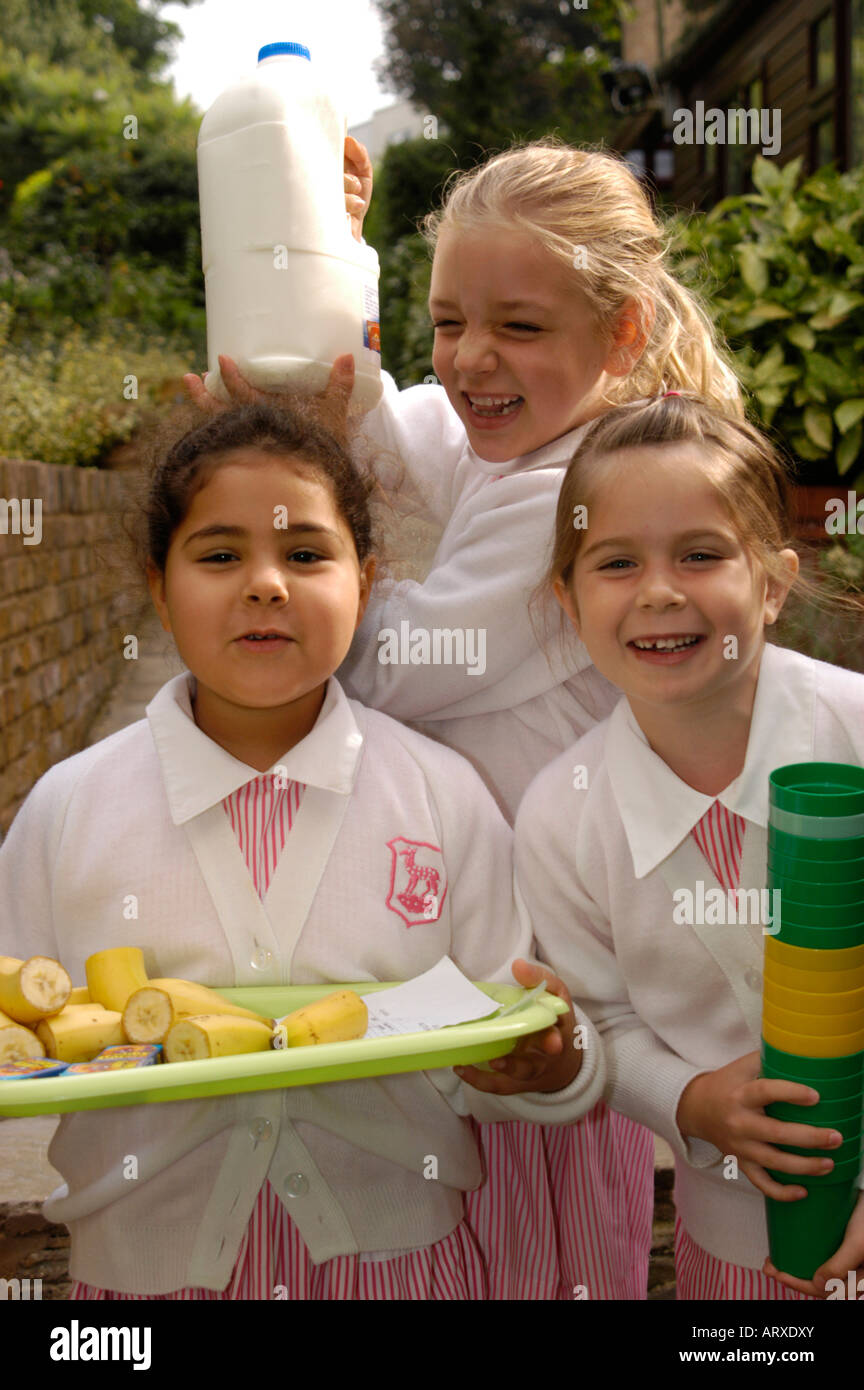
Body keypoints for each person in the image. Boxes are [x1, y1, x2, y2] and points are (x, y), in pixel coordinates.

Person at [188, 137, 743, 1299]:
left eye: (520, 327)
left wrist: (286, 539)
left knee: (530, 1248)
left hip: (543, 980)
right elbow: (395, 430)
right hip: (494, 952)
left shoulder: (581, 496)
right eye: (448, 321)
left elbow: (383, 669)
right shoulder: (530, 436)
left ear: (624, 330)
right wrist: (323, 255)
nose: (473, 359)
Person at [0, 402, 605, 1300]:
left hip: (405, 1269)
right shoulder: (71, 809)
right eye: (218, 555)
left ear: (368, 581)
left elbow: (509, 1031)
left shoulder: (441, 796)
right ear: (158, 588)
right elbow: (22, 1033)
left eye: (307, 554)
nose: (266, 585)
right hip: (138, 1281)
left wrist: (550, 1067)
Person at [517, 392, 864, 1300]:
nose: (660, 591)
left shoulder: (857, 733)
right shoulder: (561, 815)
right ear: (568, 598)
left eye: (701, 555)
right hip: (729, 1252)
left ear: (776, 584)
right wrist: (691, 1100)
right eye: (616, 562)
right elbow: (600, 1021)